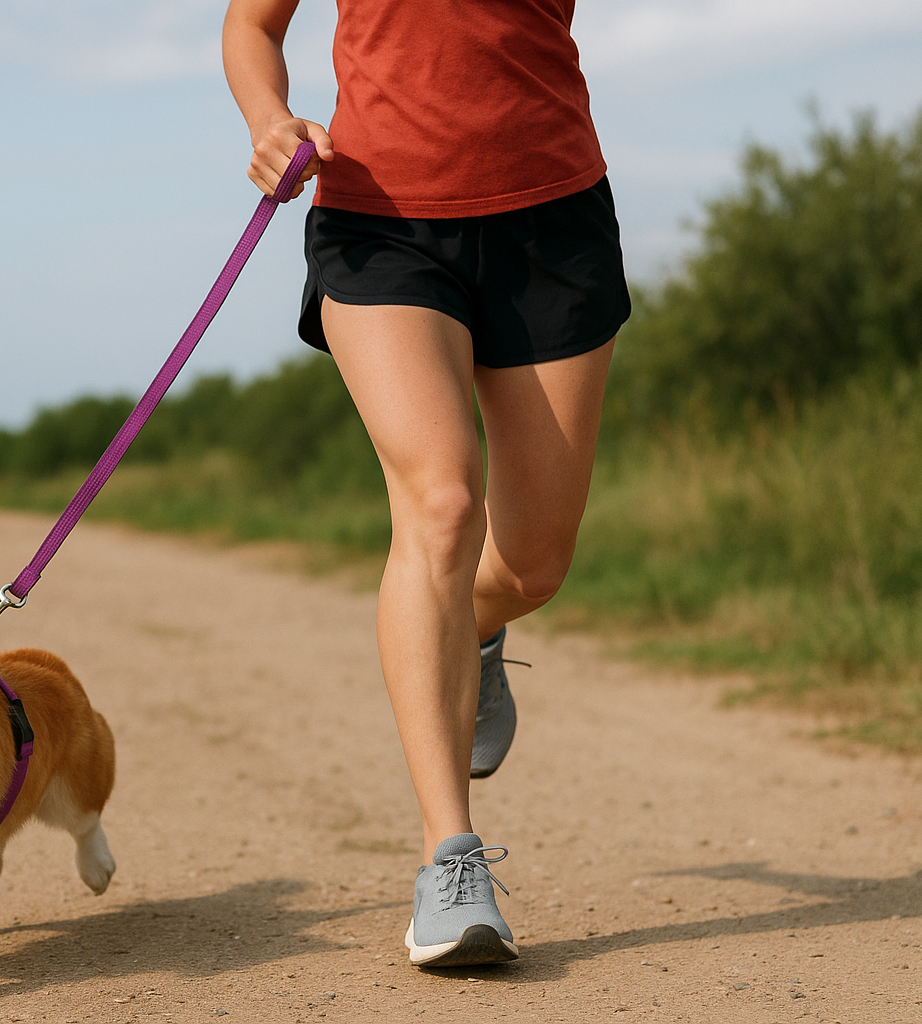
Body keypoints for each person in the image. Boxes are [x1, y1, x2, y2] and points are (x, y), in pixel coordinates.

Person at [223, 0, 630, 967]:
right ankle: (450, 861)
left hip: (553, 219)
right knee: (443, 502)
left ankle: (475, 626)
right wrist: (269, 120)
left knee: (531, 565)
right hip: (380, 220)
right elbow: (252, 26)